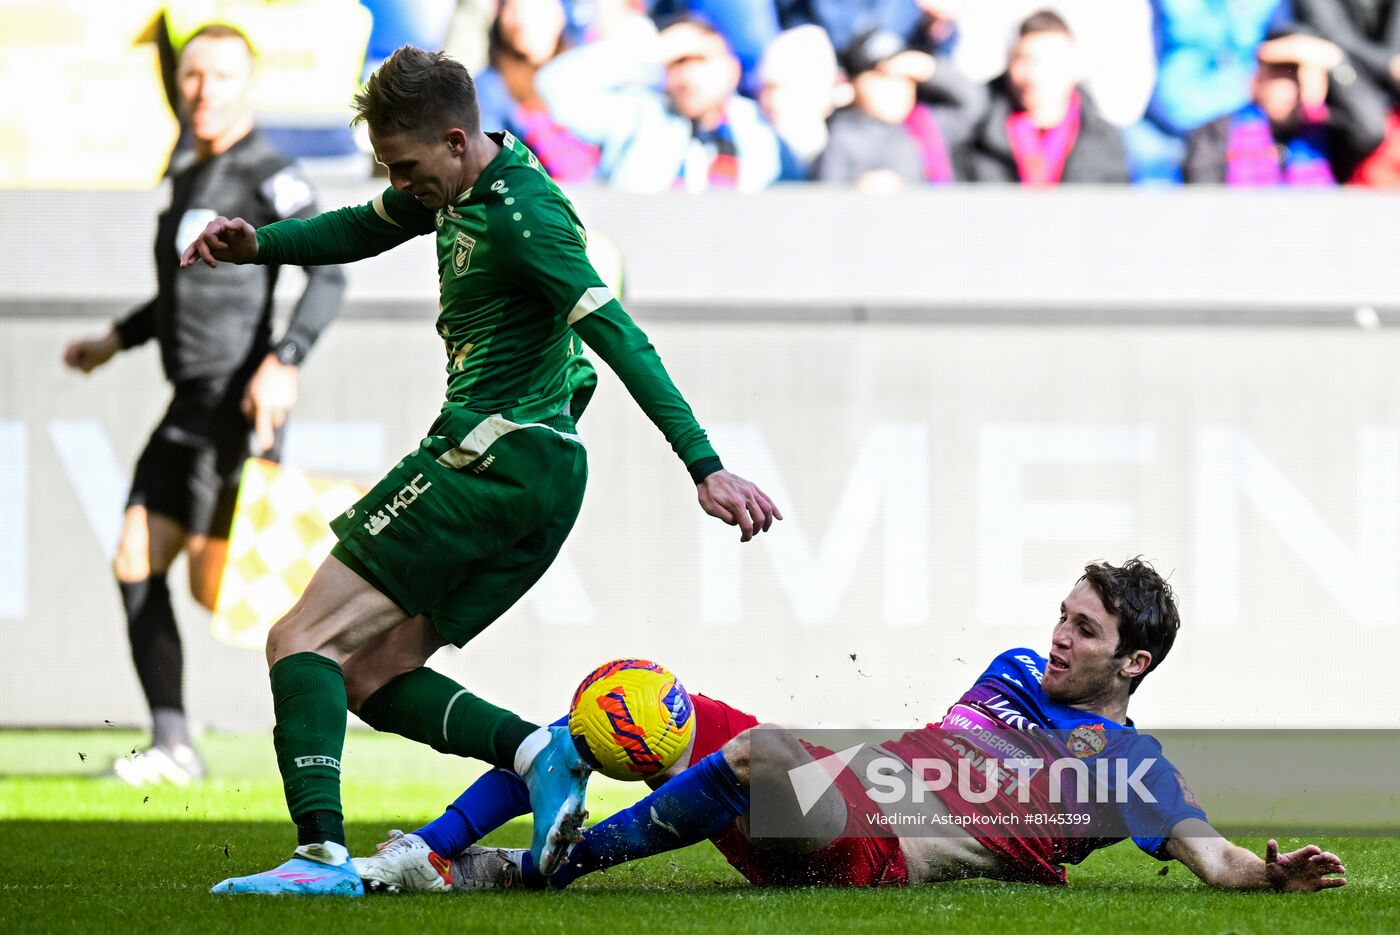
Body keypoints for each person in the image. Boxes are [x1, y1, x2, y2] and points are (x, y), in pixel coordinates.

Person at [179, 45, 781, 897]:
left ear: (457, 140)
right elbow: (363, 223)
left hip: (489, 455)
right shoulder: (470, 182)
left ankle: (319, 857)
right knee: (367, 670)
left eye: (410, 167)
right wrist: (258, 247)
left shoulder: (522, 216)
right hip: (538, 478)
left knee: (298, 638)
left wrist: (705, 464)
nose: (402, 182)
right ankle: (542, 752)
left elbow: (621, 339)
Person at [353, 559, 1347, 895]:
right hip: (838, 786)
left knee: (759, 748)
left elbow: (1209, 857)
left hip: (872, 846)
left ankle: (550, 867)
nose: (1053, 635)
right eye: (1058, 612)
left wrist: (1267, 874)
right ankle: (427, 852)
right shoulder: (1011, 667)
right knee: (624, 699)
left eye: (1080, 629)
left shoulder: (1129, 766)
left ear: (1131, 661)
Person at [62, 23, 346, 786]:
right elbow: (179, 295)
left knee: (218, 589)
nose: (203, 91)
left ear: (247, 84)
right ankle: (173, 742)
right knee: (133, 558)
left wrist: (284, 360)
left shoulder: (271, 172)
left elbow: (330, 274)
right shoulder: (186, 171)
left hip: (236, 412)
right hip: (185, 407)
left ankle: (358, 654)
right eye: (192, 77)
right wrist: (114, 340)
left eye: (220, 76)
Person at [534, 14, 784, 191]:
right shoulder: (640, 112)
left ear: (733, 71)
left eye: (701, 60)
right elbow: (553, 87)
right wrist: (649, 50)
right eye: (678, 62)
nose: (688, 76)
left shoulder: (757, 124)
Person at [1183, 31, 1390, 184]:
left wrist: (1335, 61)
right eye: (1277, 75)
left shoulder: (1329, 136)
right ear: (1256, 80)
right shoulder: (1214, 134)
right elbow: (1204, 204)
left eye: (1295, 76)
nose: (1288, 88)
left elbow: (1371, 130)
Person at [960, 10, 1129, 184]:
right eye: (1024, 60)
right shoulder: (975, 133)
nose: (1035, 74)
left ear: (1074, 66)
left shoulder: (1105, 141)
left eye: (1050, 63)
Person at [813, 28, 986, 189]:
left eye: (905, 77)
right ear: (852, 84)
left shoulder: (929, 124)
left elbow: (975, 103)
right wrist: (855, 191)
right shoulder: (840, 134)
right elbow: (823, 197)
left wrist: (930, 69)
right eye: (883, 76)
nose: (896, 87)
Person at [473, 0, 602, 183]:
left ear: (561, 14)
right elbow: (487, 164)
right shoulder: (490, 88)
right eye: (513, 8)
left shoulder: (586, 72)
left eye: (535, 8)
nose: (523, 20)